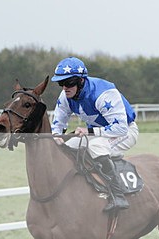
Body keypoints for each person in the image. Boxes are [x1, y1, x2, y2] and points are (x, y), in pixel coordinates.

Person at [50, 56, 139, 211]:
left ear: (81, 81)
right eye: (61, 83)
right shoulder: (66, 96)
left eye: (69, 82)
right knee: (67, 147)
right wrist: (56, 137)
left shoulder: (104, 93)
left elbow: (120, 128)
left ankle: (118, 195)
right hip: (96, 134)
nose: (65, 87)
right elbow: (59, 121)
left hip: (124, 132)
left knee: (96, 146)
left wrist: (88, 131)